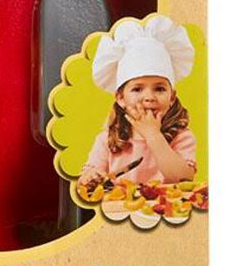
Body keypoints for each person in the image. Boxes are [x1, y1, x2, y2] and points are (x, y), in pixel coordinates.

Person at [78, 15, 196, 192]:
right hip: (119, 209)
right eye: (137, 89)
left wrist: (153, 135)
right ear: (120, 98)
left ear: (172, 97)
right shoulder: (107, 139)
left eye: (159, 89)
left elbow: (182, 179)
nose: (149, 97)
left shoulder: (181, 136)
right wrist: (92, 177)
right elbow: (86, 183)